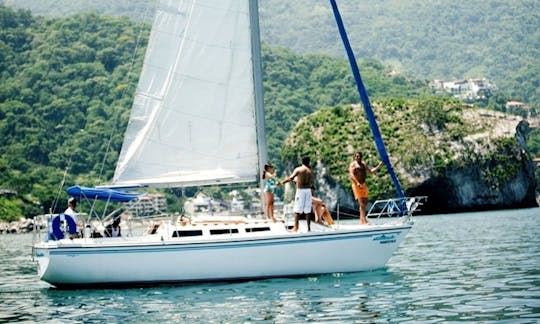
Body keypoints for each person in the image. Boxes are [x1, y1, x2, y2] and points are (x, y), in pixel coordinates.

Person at [280, 156, 313, 231]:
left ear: (302, 161)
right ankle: (308, 228)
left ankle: (296, 227)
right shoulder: (310, 171)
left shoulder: (298, 169)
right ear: (309, 162)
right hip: (308, 190)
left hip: (300, 191)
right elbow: (311, 183)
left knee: (297, 209)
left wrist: (282, 182)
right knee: (308, 210)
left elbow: (291, 178)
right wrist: (297, 181)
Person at [349, 151, 383, 225]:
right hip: (356, 185)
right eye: (356, 156)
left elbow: (371, 171)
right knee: (361, 203)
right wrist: (357, 183)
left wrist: (379, 166)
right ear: (354, 157)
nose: (357, 157)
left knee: (365, 202)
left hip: (363, 185)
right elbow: (351, 174)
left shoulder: (363, 164)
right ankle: (364, 220)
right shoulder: (353, 165)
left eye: (359, 156)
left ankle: (362, 220)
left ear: (361, 157)